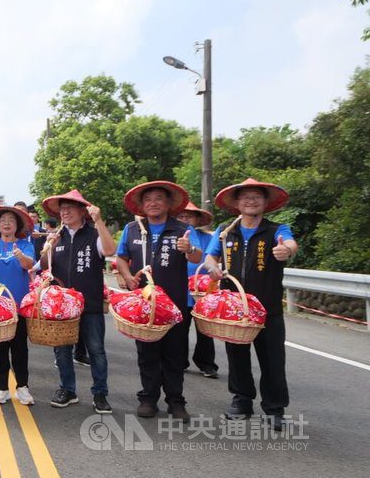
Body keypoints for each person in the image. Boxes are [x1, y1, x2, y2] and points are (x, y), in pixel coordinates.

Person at [204, 178, 298, 431]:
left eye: (257, 196)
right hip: (233, 308)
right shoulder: (226, 231)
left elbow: (289, 244)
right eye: (245, 196)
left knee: (272, 359)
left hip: (268, 308)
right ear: (236, 203)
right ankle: (242, 400)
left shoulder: (276, 229)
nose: (251, 200)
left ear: (266, 202)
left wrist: (286, 251)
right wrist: (213, 269)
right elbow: (210, 257)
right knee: (237, 356)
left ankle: (275, 408)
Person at [116, 181, 204, 422]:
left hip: (175, 302)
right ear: (142, 205)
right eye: (148, 200)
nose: (153, 203)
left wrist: (188, 249)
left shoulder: (182, 229)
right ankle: (148, 398)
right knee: (147, 352)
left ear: (168, 204)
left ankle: (176, 401)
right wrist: (127, 276)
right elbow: (121, 258)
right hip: (143, 303)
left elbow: (198, 257)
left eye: (158, 199)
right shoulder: (132, 229)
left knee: (175, 353)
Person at [39, 190, 116, 413]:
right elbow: (42, 265)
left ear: (83, 211)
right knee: (62, 350)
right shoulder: (57, 236)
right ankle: (67, 389)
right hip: (61, 307)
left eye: (70, 208)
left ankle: (100, 393)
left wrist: (99, 220)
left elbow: (110, 250)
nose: (65, 212)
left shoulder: (93, 234)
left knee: (96, 350)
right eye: (62, 209)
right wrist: (49, 246)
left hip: (90, 304)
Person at [0, 206, 36, 405]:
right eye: (3, 219)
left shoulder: (25, 244)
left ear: (17, 225)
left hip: (19, 304)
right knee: (0, 348)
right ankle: (1, 388)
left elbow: (29, 265)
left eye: (11, 219)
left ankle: (22, 388)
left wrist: (20, 256)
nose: (6, 223)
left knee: (20, 348)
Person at [176, 201, 219, 378]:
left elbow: (215, 258)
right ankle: (180, 361)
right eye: (180, 216)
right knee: (180, 329)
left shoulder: (208, 238)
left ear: (197, 219)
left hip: (204, 292)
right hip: (180, 290)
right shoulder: (174, 236)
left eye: (189, 216)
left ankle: (206, 363)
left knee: (205, 330)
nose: (184, 219)